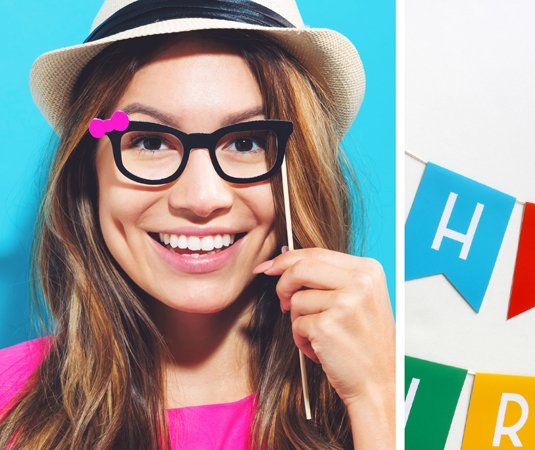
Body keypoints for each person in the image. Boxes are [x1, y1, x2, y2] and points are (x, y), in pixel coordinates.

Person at [0, 1, 395, 448]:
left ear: (297, 171)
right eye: (150, 141)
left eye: (246, 142)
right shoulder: (7, 406)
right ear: (88, 172)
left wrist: (374, 401)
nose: (202, 199)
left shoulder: (373, 399)